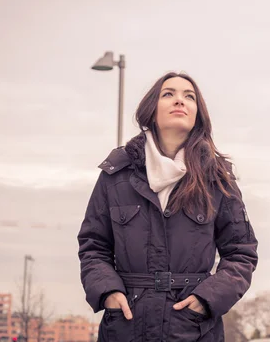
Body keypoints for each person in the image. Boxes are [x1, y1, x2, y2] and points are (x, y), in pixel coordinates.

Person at [77, 72, 259, 341]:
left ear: (198, 113)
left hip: (193, 328)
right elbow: (93, 245)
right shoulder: (117, 175)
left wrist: (205, 299)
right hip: (126, 325)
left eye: (189, 96)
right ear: (152, 109)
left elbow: (241, 253)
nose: (180, 101)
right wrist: (109, 293)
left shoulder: (217, 178)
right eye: (168, 94)